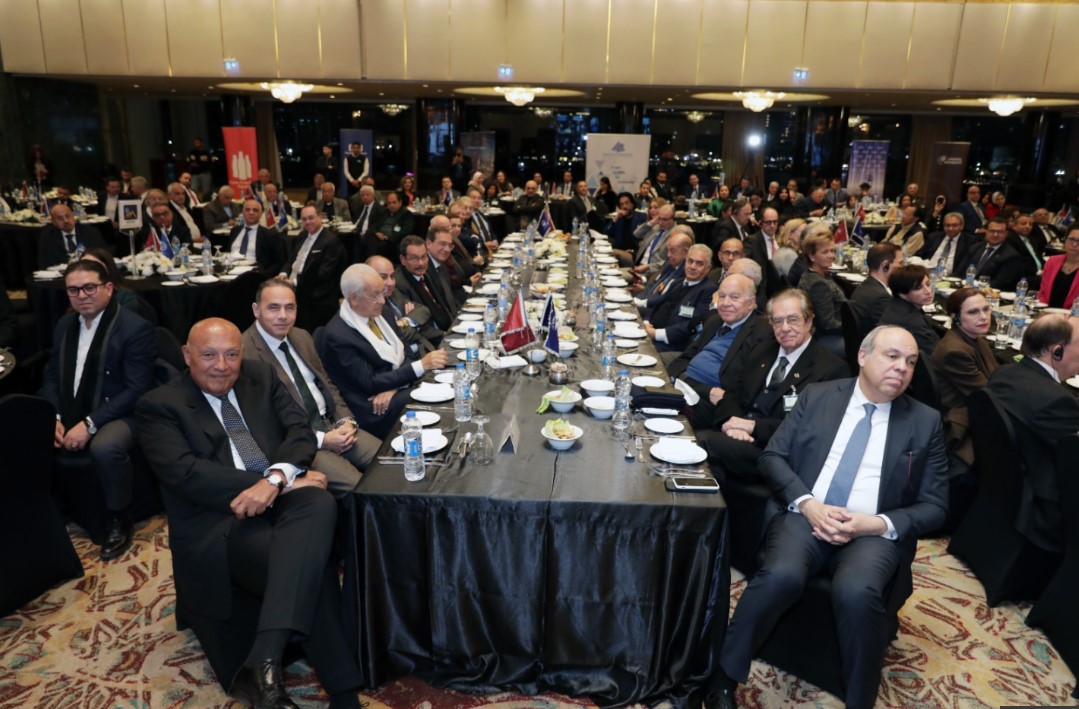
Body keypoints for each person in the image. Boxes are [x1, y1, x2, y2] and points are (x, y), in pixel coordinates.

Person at [709, 325, 948, 709]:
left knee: (857, 592)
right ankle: (722, 679)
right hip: (806, 515)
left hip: (870, 531)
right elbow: (772, 457)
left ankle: (859, 700)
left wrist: (874, 524)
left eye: (910, 361)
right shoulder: (819, 396)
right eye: (892, 356)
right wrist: (808, 504)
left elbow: (935, 505)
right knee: (780, 576)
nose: (902, 368)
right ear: (863, 356)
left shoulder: (925, 420)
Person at [136, 318, 365, 709]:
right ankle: (344, 694)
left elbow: (299, 431)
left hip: (279, 498)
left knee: (320, 503)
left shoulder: (261, 376)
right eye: (209, 355)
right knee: (305, 562)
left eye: (231, 354)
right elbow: (187, 475)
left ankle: (262, 658)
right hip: (220, 521)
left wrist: (276, 480)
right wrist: (278, 483)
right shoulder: (159, 405)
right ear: (187, 355)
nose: (221, 366)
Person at [40, 260, 157, 560]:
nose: (82, 295)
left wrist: (90, 423)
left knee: (105, 447)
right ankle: (54, 509)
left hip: (122, 411)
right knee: (31, 431)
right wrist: (54, 416)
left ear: (108, 288)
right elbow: (52, 376)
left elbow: (137, 390)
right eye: (73, 290)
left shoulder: (134, 328)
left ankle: (119, 518)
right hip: (72, 406)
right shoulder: (65, 325)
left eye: (89, 287)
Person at [699, 289, 849, 483]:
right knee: (687, 407)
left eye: (793, 320)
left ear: (809, 321)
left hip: (774, 450)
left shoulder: (831, 370)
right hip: (738, 435)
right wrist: (731, 424)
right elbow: (733, 393)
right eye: (778, 321)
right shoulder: (762, 350)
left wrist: (753, 427)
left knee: (702, 442)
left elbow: (809, 430)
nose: (785, 328)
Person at [243, 278, 378, 490]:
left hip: (334, 426)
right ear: (256, 310)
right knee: (360, 488)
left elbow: (328, 385)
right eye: (273, 308)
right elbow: (265, 421)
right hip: (302, 442)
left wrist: (346, 421)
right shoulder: (244, 354)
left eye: (290, 308)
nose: (283, 316)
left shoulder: (301, 336)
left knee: (392, 461)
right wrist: (322, 440)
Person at [319, 264, 449, 438]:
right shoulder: (338, 335)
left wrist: (394, 387)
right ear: (353, 299)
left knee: (441, 381)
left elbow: (408, 354)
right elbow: (369, 383)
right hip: (372, 406)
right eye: (375, 295)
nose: (382, 300)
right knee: (432, 392)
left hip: (393, 389)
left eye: (382, 293)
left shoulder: (383, 313)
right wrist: (420, 366)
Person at [986, 315, 1079, 554]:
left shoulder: (1003, 373)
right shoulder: (1058, 401)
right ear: (1056, 351)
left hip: (999, 488)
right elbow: (1072, 461)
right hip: (1042, 505)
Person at [666, 274, 771, 429]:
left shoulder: (762, 333)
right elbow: (684, 358)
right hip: (691, 388)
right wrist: (689, 383)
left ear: (751, 303)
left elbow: (742, 387)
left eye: (734, 297)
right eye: (722, 296)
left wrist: (686, 383)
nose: (726, 303)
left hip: (710, 404)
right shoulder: (715, 321)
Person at [929, 288, 997, 469]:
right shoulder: (954, 351)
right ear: (955, 317)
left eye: (986, 309)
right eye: (973, 312)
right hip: (963, 422)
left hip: (975, 408)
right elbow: (988, 395)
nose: (984, 317)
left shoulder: (974, 338)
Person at [280, 206, 348, 331]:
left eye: (311, 218)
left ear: (320, 218)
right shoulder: (302, 235)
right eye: (304, 219)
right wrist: (283, 274)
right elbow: (291, 260)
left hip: (315, 290)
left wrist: (294, 282)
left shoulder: (331, 241)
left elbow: (323, 274)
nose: (307, 222)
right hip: (292, 284)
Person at [643, 244, 717, 353]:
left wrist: (655, 334)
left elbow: (693, 324)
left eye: (699, 264)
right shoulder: (677, 283)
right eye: (690, 261)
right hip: (650, 332)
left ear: (708, 268)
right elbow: (658, 304)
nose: (692, 267)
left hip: (671, 344)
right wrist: (646, 322)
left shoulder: (708, 290)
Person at [368, 254, 439, 352]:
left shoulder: (393, 293)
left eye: (392, 276)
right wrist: (415, 325)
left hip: (425, 347)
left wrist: (405, 321)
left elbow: (423, 310)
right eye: (383, 277)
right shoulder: (369, 307)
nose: (390, 283)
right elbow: (394, 336)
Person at [797, 229, 846, 356]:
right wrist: (854, 326)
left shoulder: (817, 274)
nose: (831, 255)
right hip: (826, 337)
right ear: (811, 256)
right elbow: (828, 325)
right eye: (825, 252)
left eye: (832, 251)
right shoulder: (818, 284)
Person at [880, 264, 939, 354]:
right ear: (902, 294)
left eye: (927, 284)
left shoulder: (896, 304)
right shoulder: (913, 322)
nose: (928, 291)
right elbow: (934, 355)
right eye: (918, 288)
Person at [956, 217, 1024, 290]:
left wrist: (975, 289)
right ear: (986, 231)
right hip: (964, 289)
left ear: (1006, 233)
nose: (995, 235)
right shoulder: (975, 248)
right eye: (992, 231)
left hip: (989, 293)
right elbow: (959, 272)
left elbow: (999, 283)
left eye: (1000, 232)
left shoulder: (1011, 256)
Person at [850, 243, 903, 335]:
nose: (903, 268)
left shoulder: (865, 286)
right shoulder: (881, 297)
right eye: (900, 263)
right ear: (885, 266)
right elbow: (893, 331)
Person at [227, 199, 286, 275]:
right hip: (231, 270)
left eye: (255, 210)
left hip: (254, 273)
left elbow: (279, 262)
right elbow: (228, 253)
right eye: (247, 210)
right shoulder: (234, 231)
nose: (251, 212)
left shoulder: (269, 235)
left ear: (261, 214)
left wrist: (262, 275)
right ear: (243, 213)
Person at [38, 203, 107, 268]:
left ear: (73, 216)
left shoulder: (90, 232)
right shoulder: (48, 236)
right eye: (60, 218)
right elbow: (44, 263)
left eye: (68, 216)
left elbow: (102, 256)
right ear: (54, 222)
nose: (66, 221)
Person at [80, 248, 139, 312]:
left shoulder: (125, 298)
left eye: (95, 266)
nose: (88, 271)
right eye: (84, 267)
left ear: (108, 268)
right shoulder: (76, 295)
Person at [915, 212, 973, 277]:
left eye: (954, 225)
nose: (950, 228)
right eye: (947, 225)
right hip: (927, 273)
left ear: (962, 226)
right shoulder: (934, 237)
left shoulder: (969, 241)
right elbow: (918, 255)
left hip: (951, 277)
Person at [1037, 223, 1079, 308]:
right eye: (1071, 239)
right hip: (1047, 311)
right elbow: (1043, 294)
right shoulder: (1052, 261)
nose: (1074, 244)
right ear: (1065, 240)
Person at [633, 202, 676, 276]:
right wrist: (651, 222)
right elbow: (636, 234)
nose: (661, 222)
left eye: (665, 219)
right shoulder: (655, 226)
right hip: (638, 266)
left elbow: (670, 262)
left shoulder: (676, 234)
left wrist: (649, 267)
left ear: (673, 218)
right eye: (659, 218)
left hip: (653, 273)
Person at [605, 191, 645, 259]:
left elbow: (643, 240)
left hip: (634, 253)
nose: (624, 206)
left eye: (627, 203)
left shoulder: (641, 217)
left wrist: (633, 251)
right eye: (621, 204)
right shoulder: (618, 219)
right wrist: (615, 219)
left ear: (632, 204)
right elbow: (605, 234)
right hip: (619, 251)